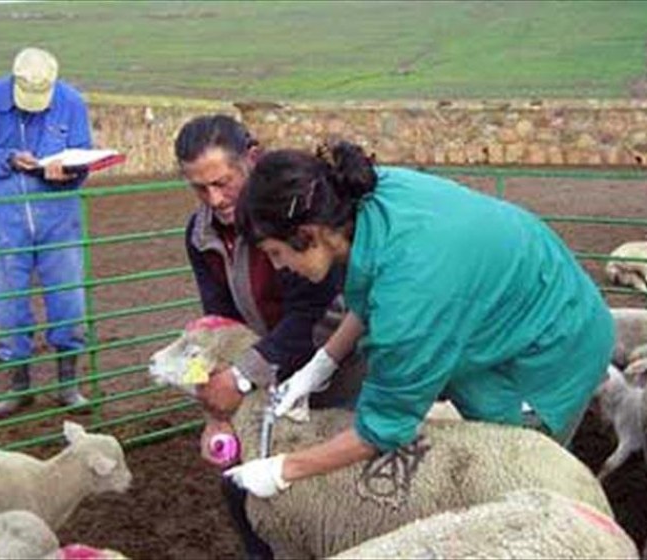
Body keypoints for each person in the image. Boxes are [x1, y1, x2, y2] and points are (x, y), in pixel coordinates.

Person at [223, 141, 616, 499]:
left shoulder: (411, 291)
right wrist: (322, 362)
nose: (280, 267)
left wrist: (283, 469)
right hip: (511, 304)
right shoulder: (362, 197)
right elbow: (374, 289)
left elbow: (382, 428)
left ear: (308, 234)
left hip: (551, 351)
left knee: (517, 472)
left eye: (276, 253)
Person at [174, 115, 366, 559]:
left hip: (335, 361)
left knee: (339, 481)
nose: (214, 199)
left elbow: (313, 314)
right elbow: (219, 319)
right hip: (268, 368)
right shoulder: (201, 233)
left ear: (252, 159)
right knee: (243, 481)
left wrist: (241, 378)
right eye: (199, 188)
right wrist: (215, 407)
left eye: (222, 182)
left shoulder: (289, 212)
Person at [0, 47, 92, 417]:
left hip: (58, 216)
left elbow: (83, 154)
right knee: (8, 304)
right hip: (5, 220)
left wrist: (68, 169)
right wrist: (6, 159)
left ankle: (68, 384)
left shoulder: (71, 102)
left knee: (68, 300)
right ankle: (18, 386)